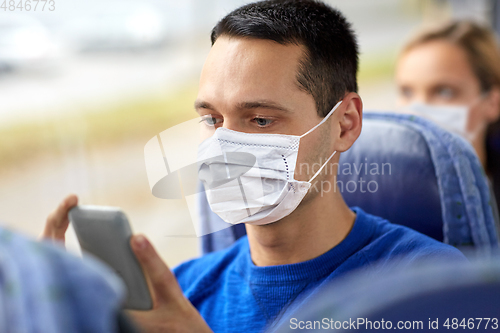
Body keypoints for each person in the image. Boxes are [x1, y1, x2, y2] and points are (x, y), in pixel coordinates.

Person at [43, 1, 467, 332]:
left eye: (260, 120)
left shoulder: (433, 289)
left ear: (344, 123)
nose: (224, 146)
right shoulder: (177, 293)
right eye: (212, 119)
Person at [395, 20, 500, 208]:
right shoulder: (384, 196)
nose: (417, 110)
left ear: (492, 102)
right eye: (407, 92)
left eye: (444, 92)